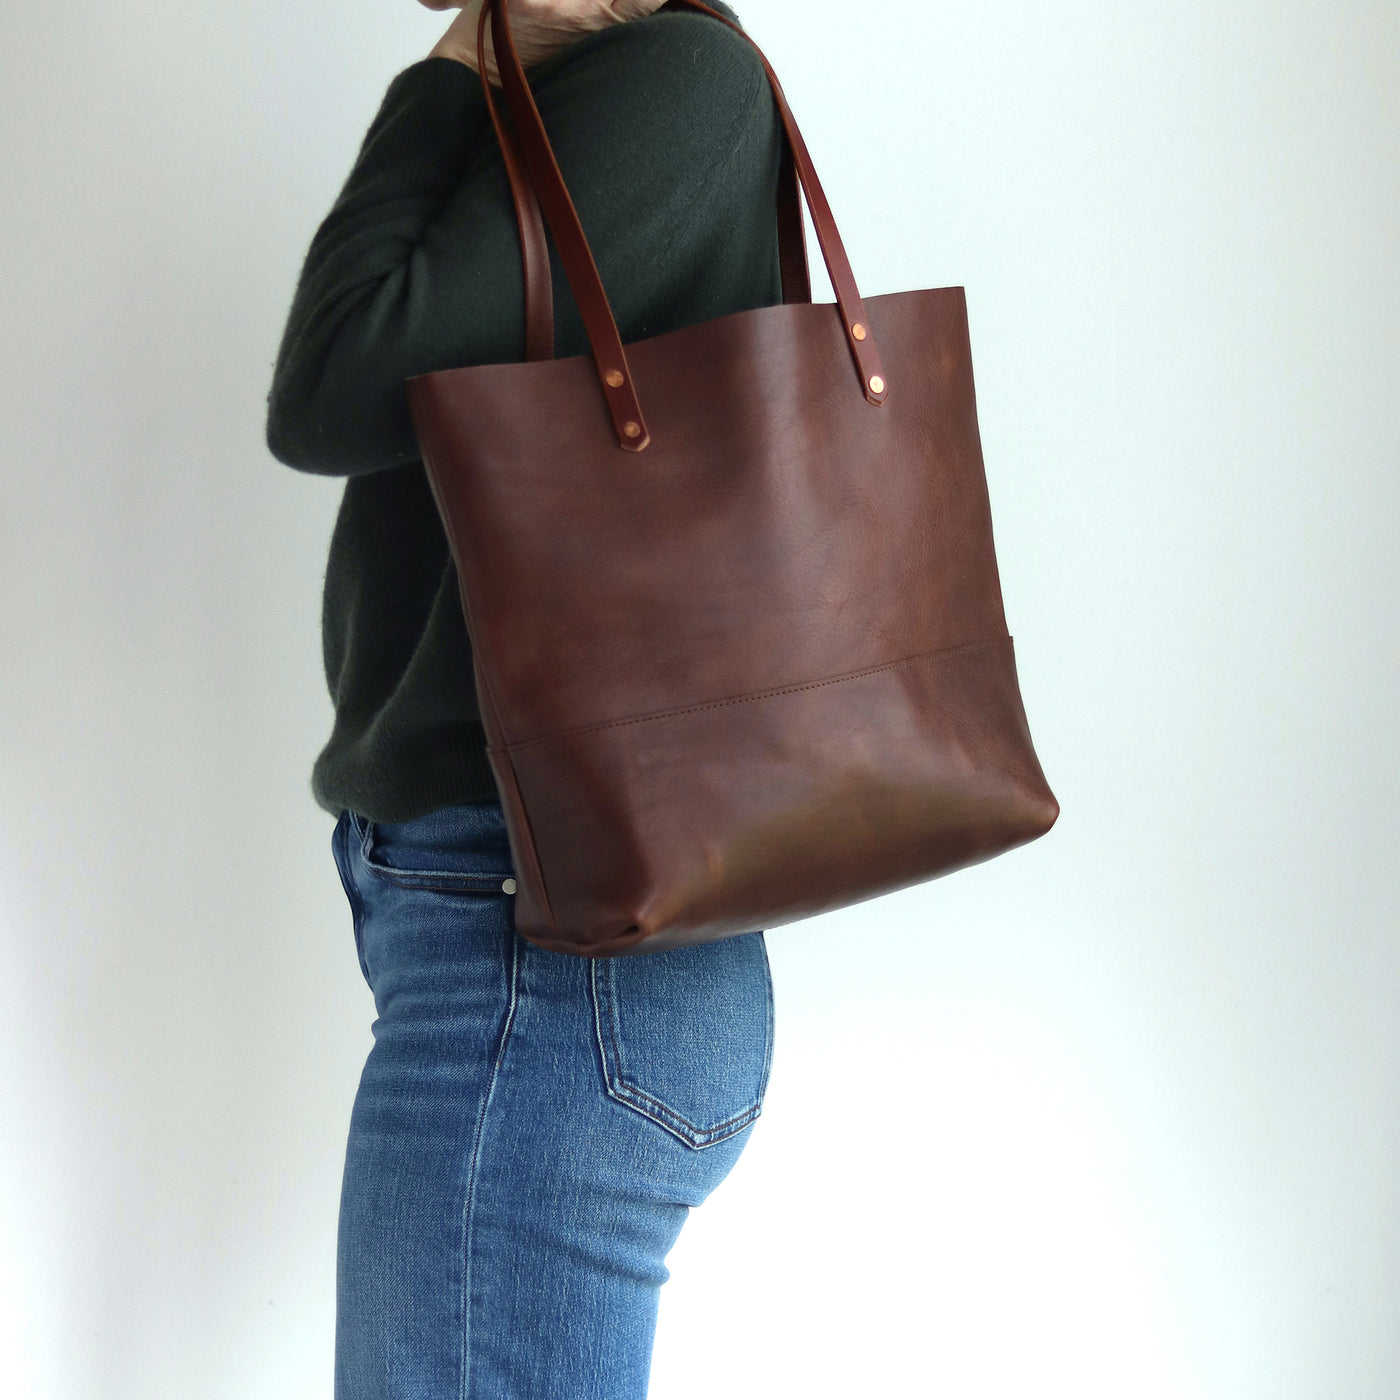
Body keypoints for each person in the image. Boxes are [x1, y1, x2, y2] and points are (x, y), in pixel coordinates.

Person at [264, 2, 785, 1395]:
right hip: (539, 956)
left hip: (546, 962)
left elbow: (329, 382)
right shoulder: (599, 102)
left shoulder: (673, 79)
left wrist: (450, 71)